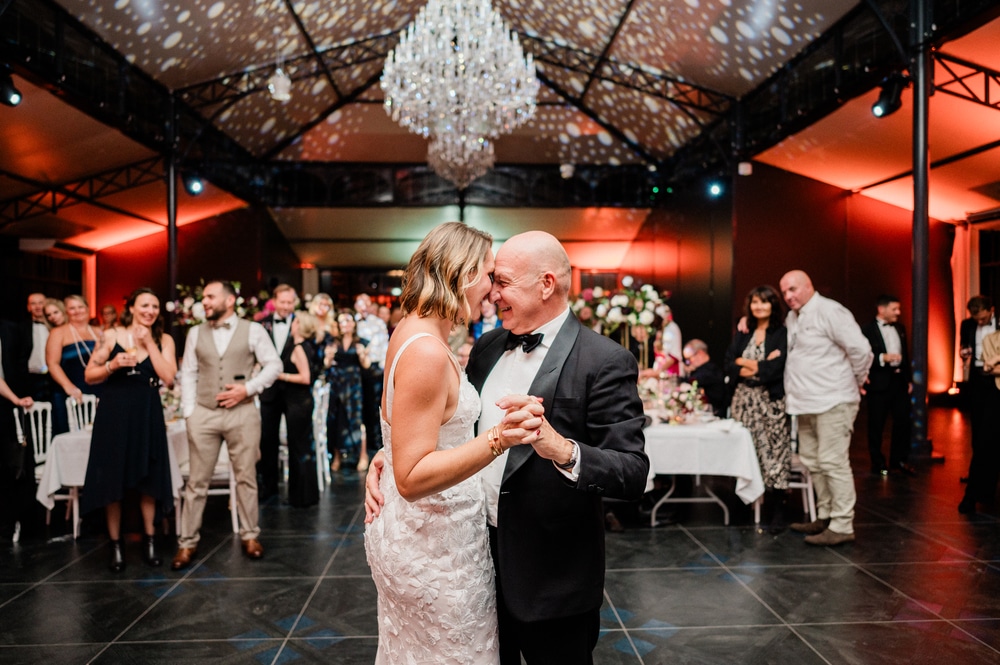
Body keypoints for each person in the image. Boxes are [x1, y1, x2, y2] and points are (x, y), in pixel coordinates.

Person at [367, 229, 649, 665]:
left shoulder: (604, 360)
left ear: (547, 284)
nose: (493, 293)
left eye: (503, 282)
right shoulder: (487, 345)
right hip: (466, 561)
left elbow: (632, 472)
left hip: (549, 578)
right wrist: (389, 454)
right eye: (491, 279)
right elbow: (443, 426)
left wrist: (562, 449)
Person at [363, 221, 544, 665]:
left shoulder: (415, 329)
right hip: (435, 549)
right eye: (490, 275)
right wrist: (500, 438)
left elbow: (407, 425)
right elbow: (410, 477)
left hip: (431, 533)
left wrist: (385, 452)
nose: (494, 290)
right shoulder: (426, 349)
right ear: (462, 274)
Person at [171, 281, 282, 570]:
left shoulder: (253, 330)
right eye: (203, 297)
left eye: (210, 296)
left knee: (246, 477)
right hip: (204, 415)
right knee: (197, 482)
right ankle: (187, 542)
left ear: (230, 300)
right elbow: (189, 373)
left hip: (242, 414)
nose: (204, 302)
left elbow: (274, 365)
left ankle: (250, 535)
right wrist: (190, 414)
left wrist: (248, 389)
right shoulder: (196, 333)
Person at [82, 288, 177, 572]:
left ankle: (150, 541)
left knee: (149, 477)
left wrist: (150, 343)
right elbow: (89, 375)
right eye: (145, 305)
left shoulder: (164, 339)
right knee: (113, 478)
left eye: (155, 306)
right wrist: (111, 365)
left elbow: (169, 377)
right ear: (132, 307)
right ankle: (116, 546)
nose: (150, 311)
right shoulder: (111, 336)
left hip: (147, 413)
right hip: (114, 413)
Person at [781, 270, 872, 546]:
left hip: (834, 400)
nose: (788, 296)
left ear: (809, 286)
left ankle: (843, 524)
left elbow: (861, 350)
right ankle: (826, 516)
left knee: (832, 461)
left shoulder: (831, 311)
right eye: (785, 292)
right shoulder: (792, 317)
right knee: (813, 461)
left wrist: (855, 381)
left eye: (793, 289)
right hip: (804, 403)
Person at [725, 285, 792, 534]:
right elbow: (729, 364)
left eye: (764, 302)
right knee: (744, 449)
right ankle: (743, 504)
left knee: (774, 452)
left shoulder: (781, 333)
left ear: (773, 305)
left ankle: (778, 509)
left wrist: (747, 364)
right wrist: (754, 363)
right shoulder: (743, 332)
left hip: (770, 402)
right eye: (755, 302)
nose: (759, 307)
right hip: (743, 400)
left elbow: (776, 369)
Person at [861, 295, 914, 477]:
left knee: (903, 421)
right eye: (894, 309)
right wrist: (882, 358)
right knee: (876, 424)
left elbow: (905, 355)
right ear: (881, 309)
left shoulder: (900, 328)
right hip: (878, 382)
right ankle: (878, 462)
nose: (898, 313)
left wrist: (908, 380)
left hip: (898, 381)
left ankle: (899, 460)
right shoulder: (866, 330)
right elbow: (861, 355)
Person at [258, 284, 298, 501]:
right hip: (269, 391)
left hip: (294, 391)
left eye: (290, 302)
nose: (286, 306)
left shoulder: (300, 323)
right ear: (274, 301)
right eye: (282, 302)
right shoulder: (261, 325)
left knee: (295, 439)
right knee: (267, 439)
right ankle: (269, 486)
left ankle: (295, 490)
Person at [46, 295, 104, 435]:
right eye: (72, 308)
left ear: (87, 309)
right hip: (70, 391)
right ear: (66, 311)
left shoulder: (99, 332)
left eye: (80, 307)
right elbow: (52, 364)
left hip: (99, 389)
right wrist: (69, 387)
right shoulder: (58, 332)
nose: (77, 311)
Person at [280, 312, 320, 508]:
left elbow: (305, 378)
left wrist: (281, 376)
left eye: (295, 321)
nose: (292, 324)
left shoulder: (298, 348)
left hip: (298, 403)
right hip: (298, 402)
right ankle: (303, 495)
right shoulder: (303, 346)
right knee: (300, 448)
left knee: (299, 449)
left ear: (299, 325)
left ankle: (303, 497)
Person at [961, 328, 1000, 514]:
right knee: (984, 446)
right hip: (996, 396)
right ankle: (974, 496)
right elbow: (985, 367)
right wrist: (992, 363)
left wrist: (995, 361)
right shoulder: (991, 338)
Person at [958, 295, 995, 490]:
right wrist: (964, 353)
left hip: (997, 378)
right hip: (978, 378)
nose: (980, 322)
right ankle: (976, 472)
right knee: (978, 428)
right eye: (976, 320)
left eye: (983, 318)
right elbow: (964, 346)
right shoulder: (966, 325)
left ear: (991, 310)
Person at [328, 309, 370, 471]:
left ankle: (362, 455)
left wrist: (362, 356)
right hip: (337, 384)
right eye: (342, 321)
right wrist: (329, 357)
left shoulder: (361, 342)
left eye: (348, 321)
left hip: (353, 385)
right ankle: (337, 456)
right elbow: (326, 364)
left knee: (357, 420)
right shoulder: (333, 342)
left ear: (354, 324)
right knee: (336, 420)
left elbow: (366, 365)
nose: (345, 324)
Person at [355, 293, 389, 459]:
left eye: (366, 303)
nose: (363, 306)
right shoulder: (351, 321)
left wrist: (382, 369)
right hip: (355, 369)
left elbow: (385, 347)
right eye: (360, 303)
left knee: (374, 407)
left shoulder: (378, 323)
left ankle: (375, 443)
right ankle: (357, 446)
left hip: (374, 369)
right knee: (357, 406)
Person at [682, 339, 729, 417]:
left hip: (714, 416)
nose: (688, 363)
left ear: (700, 353)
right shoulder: (699, 370)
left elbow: (695, 381)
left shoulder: (712, 370)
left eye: (689, 359)